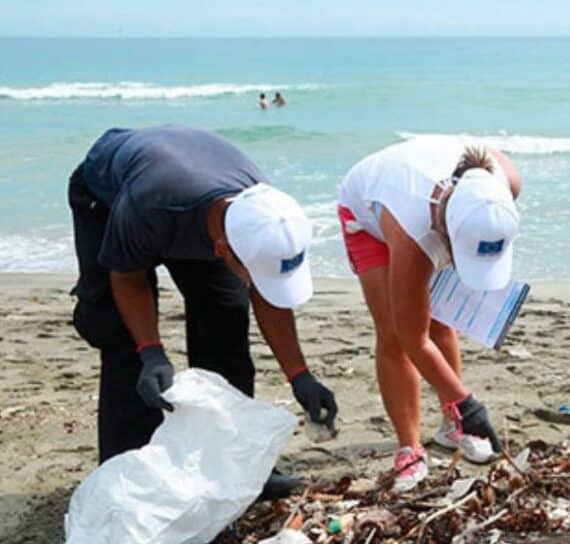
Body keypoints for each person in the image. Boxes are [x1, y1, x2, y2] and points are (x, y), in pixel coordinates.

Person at [69, 124, 338, 500]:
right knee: (120, 337)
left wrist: (300, 375)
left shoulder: (263, 216)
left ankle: (232, 464)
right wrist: (151, 350)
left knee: (225, 320)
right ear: (223, 249)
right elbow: (128, 279)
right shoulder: (152, 207)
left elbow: (267, 290)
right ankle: (130, 479)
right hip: (110, 196)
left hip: (191, 195)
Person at [337, 136, 521, 492]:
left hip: (426, 195)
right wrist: (470, 404)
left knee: (441, 320)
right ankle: (410, 446)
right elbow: (412, 339)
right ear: (444, 230)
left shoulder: (504, 186)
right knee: (395, 330)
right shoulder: (413, 237)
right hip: (368, 211)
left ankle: (452, 426)